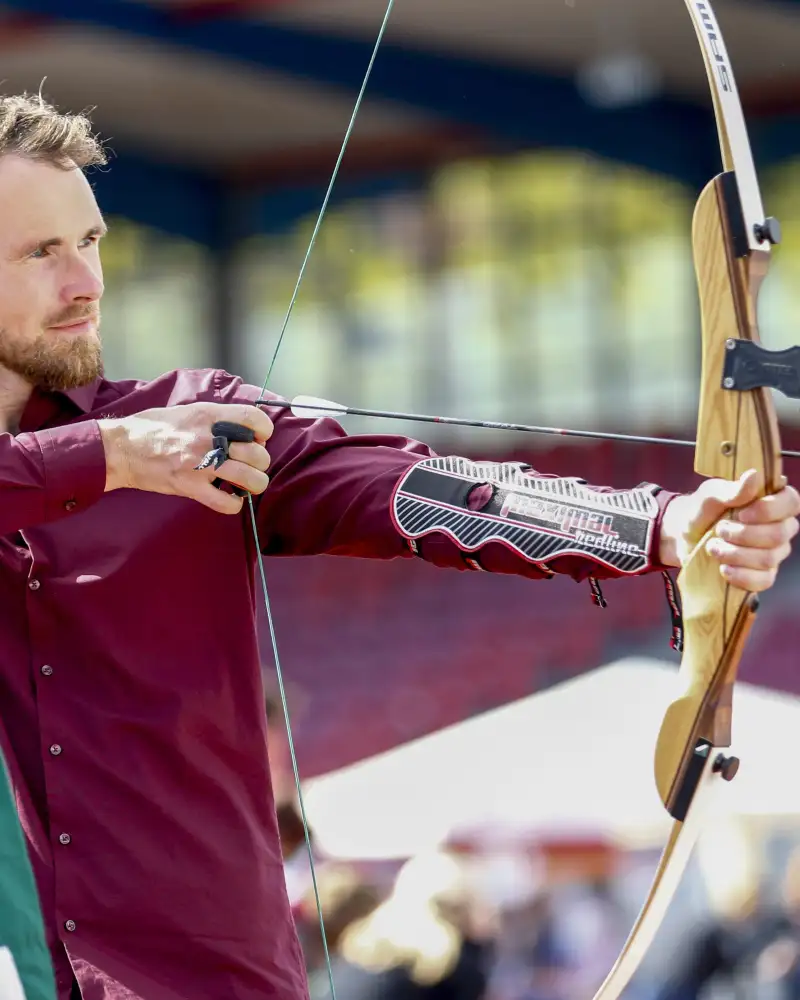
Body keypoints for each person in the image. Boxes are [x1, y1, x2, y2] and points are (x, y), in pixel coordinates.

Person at [0, 91, 797, 1000]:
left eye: (91, 241)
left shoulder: (194, 427)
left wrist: (657, 526)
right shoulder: (144, 446)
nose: (86, 282)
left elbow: (403, 489)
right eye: (41, 252)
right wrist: (105, 456)